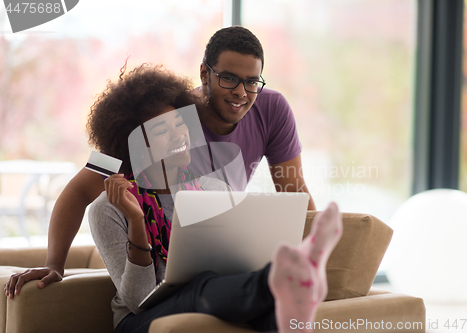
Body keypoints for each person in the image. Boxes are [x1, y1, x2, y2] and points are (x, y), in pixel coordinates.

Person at [4, 26, 316, 299]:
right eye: (229, 79)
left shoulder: (271, 108)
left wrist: (319, 257)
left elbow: (296, 193)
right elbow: (78, 191)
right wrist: (55, 264)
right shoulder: (160, 117)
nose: (241, 92)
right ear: (205, 74)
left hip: (216, 248)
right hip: (153, 257)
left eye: (251, 82)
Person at [84, 64, 342, 333]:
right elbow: (138, 301)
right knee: (199, 286)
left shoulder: (212, 189)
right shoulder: (108, 209)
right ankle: (282, 277)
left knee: (265, 310)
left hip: (209, 296)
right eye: (162, 131)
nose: (180, 136)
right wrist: (137, 221)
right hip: (136, 322)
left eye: (181, 124)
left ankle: (289, 303)